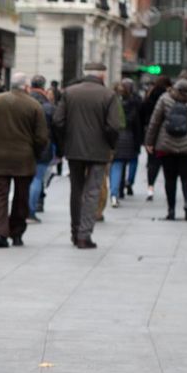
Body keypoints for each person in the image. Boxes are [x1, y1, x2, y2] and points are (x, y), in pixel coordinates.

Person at [53, 63, 122, 249]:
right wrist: (110, 144)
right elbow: (114, 126)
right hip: (99, 151)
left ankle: (75, 232)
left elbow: (58, 121)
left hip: (74, 150)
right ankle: (84, 235)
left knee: (76, 191)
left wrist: (66, 141)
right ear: (102, 76)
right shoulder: (108, 95)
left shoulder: (69, 92)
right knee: (92, 192)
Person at [0, 72, 49, 248]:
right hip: (24, 159)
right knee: (21, 197)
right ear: (26, 87)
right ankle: (17, 232)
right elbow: (41, 137)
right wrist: (35, 153)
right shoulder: (34, 105)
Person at [145, 78, 187, 221]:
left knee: (170, 179)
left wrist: (149, 141)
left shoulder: (165, 99)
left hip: (166, 145)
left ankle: (171, 210)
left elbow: (155, 121)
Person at [109, 79, 144, 207]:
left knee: (115, 166)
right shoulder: (133, 104)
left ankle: (114, 192)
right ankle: (126, 184)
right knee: (123, 164)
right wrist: (138, 141)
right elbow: (136, 124)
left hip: (113, 137)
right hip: (127, 137)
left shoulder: (110, 103)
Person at [27, 75, 55, 222]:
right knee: (37, 179)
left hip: (25, 146)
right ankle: (31, 210)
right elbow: (56, 128)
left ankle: (24, 208)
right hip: (44, 146)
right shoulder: (48, 107)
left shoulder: (24, 102)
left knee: (25, 180)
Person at [142, 76, 171, 201]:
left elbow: (143, 113)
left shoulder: (150, 96)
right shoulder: (169, 97)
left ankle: (150, 188)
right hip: (166, 133)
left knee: (152, 163)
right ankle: (169, 190)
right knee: (167, 164)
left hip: (152, 132)